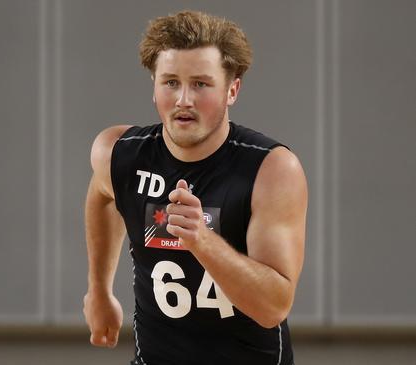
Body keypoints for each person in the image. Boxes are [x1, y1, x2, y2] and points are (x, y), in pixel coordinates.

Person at [83, 10, 307, 365]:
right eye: (170, 82)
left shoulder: (272, 169)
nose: (183, 99)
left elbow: (273, 306)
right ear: (154, 85)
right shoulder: (118, 152)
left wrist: (202, 241)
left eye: (200, 84)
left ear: (232, 89)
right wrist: (99, 290)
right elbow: (102, 195)